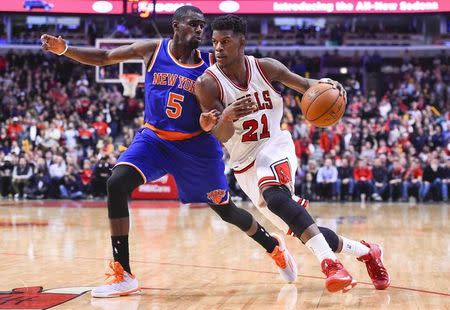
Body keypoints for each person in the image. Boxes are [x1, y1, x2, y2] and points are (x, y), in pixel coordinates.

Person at [41, 6, 297, 298]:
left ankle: (273, 246)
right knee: (116, 183)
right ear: (176, 26)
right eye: (193, 24)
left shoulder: (213, 64)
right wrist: (66, 49)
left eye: (203, 25)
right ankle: (123, 273)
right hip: (155, 140)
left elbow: (238, 87)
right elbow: (105, 57)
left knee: (225, 210)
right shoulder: (153, 50)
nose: (200, 30)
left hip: (197, 146)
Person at [196, 14, 390, 293]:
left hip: (275, 146)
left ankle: (331, 265)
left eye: (225, 41)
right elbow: (223, 137)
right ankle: (367, 251)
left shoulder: (265, 68)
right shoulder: (207, 83)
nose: (218, 48)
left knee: (275, 195)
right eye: (214, 42)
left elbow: (307, 86)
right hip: (243, 164)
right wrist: (225, 117)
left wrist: (333, 87)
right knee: (303, 230)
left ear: (242, 42)